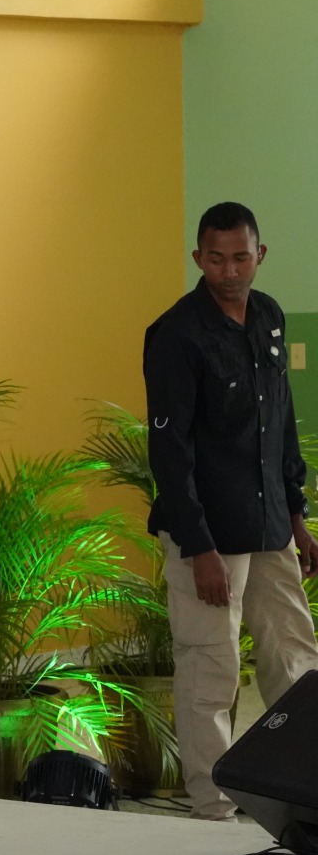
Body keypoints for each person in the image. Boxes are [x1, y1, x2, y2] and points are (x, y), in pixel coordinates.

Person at [144, 201, 318, 821]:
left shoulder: (268, 316)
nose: (229, 270)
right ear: (199, 259)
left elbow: (279, 425)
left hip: (271, 529)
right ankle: (214, 806)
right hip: (210, 538)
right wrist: (199, 548)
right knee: (210, 671)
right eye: (215, 258)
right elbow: (170, 450)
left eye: (240, 257)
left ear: (260, 255)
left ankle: (300, 791)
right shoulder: (176, 335)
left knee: (296, 662)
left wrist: (298, 518)